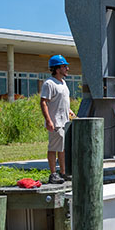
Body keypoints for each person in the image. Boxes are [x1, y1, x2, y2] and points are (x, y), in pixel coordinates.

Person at [40, 55, 75, 184]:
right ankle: (53, 174)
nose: (67, 68)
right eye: (64, 66)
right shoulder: (49, 83)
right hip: (55, 122)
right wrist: (49, 120)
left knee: (63, 148)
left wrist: (70, 111)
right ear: (57, 68)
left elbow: (62, 101)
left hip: (64, 121)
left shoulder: (63, 83)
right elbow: (43, 102)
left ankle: (63, 172)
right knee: (53, 148)